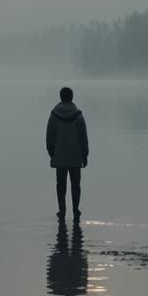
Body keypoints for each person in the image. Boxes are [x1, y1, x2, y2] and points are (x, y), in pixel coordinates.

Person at [46, 86, 89, 219]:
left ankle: (62, 210)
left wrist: (52, 154)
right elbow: (83, 138)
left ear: (61, 97)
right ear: (72, 97)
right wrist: (85, 155)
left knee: (61, 185)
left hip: (59, 157)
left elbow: (49, 138)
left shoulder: (54, 116)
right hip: (76, 157)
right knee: (76, 185)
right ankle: (76, 209)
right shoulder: (78, 116)